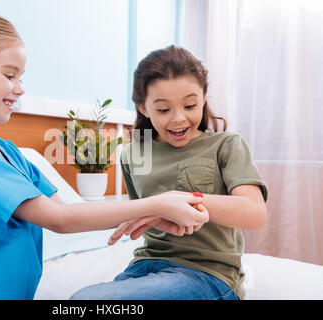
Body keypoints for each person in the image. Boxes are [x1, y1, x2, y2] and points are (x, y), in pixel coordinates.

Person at [0, 6, 209, 300]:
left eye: (20, 77)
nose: (19, 88)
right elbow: (59, 219)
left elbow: (70, 209)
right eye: (9, 75)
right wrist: (158, 202)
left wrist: (152, 214)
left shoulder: (7, 152)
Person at [70, 45, 268, 300]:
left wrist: (176, 200)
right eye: (163, 110)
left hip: (209, 274)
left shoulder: (226, 145)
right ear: (143, 107)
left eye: (190, 105)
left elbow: (255, 214)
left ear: (204, 97)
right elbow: (138, 214)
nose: (178, 119)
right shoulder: (134, 154)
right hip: (145, 266)